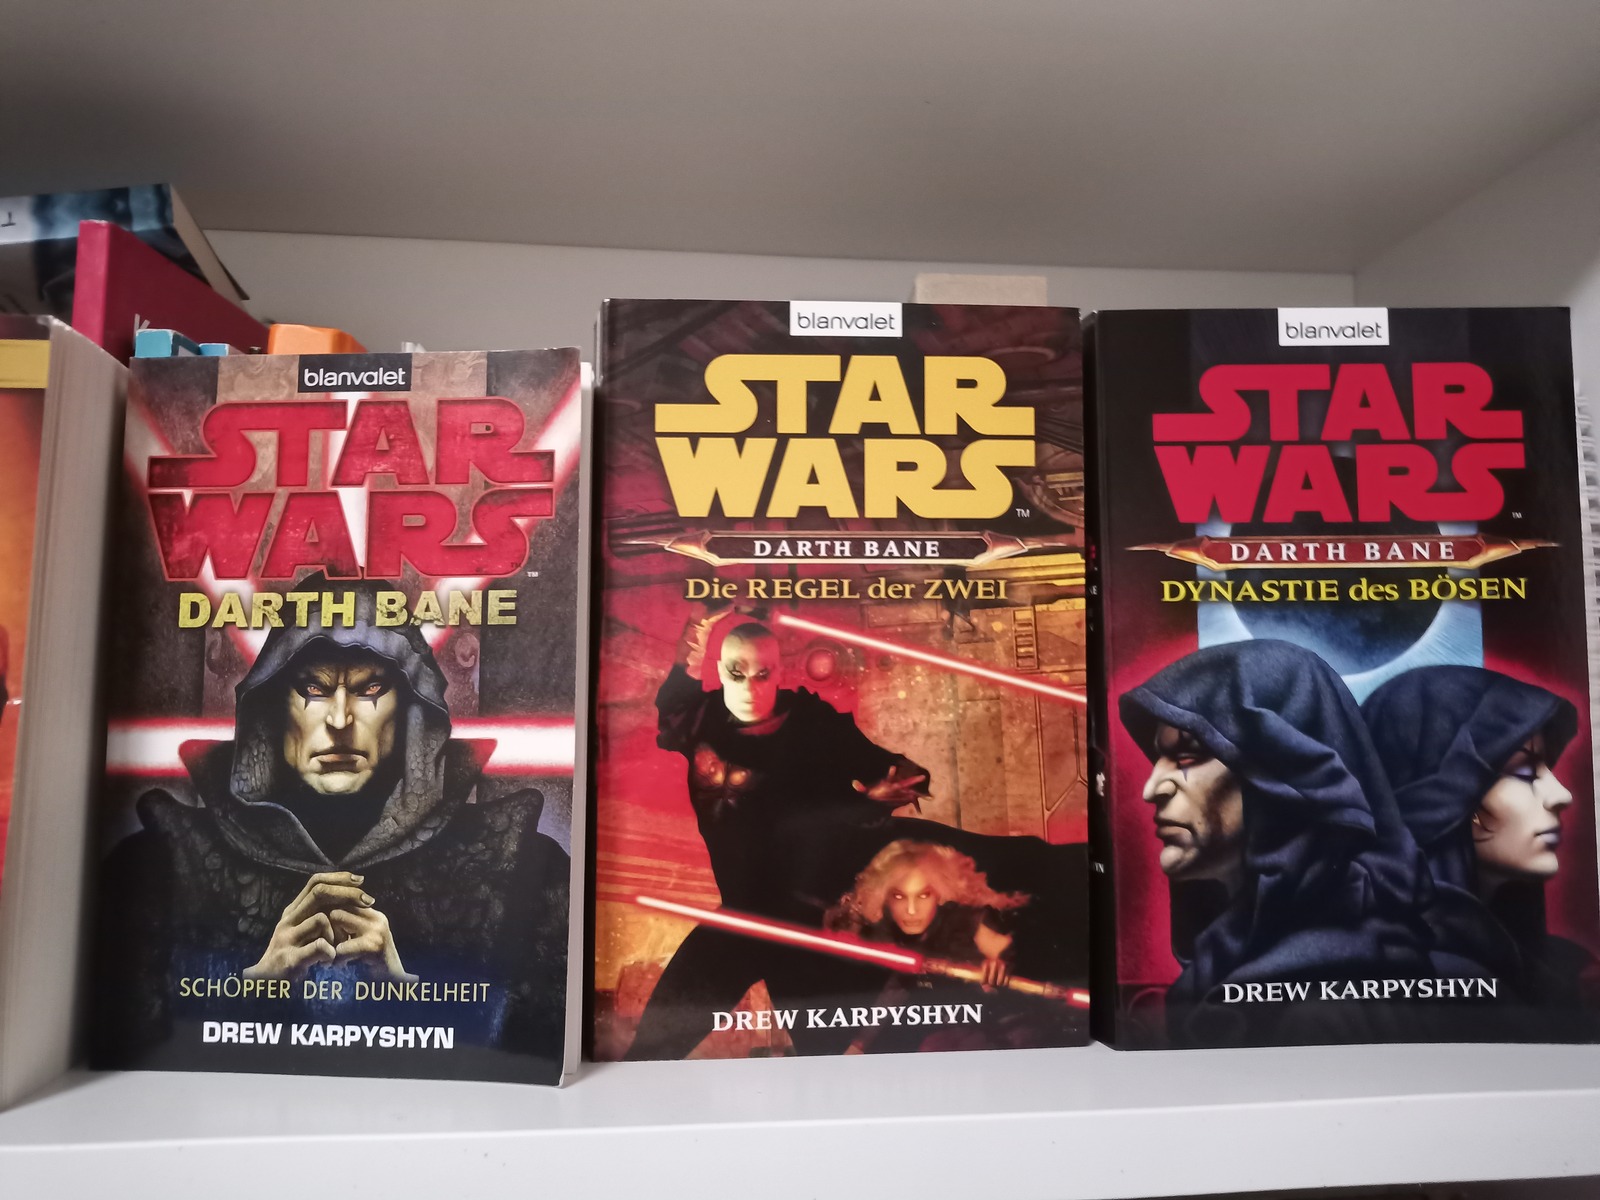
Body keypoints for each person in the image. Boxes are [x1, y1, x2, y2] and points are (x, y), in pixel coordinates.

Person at [93, 579, 570, 1069]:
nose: (340, 720)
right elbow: (120, 1049)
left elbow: (533, 1059)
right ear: (271, 709)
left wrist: (405, 996)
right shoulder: (157, 865)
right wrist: (255, 990)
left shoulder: (522, 868)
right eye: (314, 689)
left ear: (411, 712)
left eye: (370, 689)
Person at [625, 606, 931, 1058]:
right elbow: (676, 694)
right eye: (737, 673)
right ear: (721, 673)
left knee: (831, 1059)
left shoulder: (815, 724)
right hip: (740, 920)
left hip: (808, 926)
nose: (750, 687)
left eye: (762, 674)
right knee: (651, 1049)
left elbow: (897, 774)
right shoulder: (701, 719)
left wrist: (896, 784)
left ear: (779, 673)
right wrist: (698, 629)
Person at [1118, 638, 1433, 1047]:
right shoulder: (1222, 957)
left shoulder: (1331, 1006)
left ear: (1277, 778)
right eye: (1159, 758)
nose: (1152, 788)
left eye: (1188, 756)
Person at [1361, 665, 1597, 1035]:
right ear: (1447, 797)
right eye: (1523, 772)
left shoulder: (1560, 973)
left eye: (1546, 767)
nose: (1561, 795)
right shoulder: (1393, 987)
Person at [826, 840, 1033, 1053]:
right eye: (899, 896)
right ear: (885, 897)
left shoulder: (967, 920)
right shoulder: (904, 937)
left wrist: (999, 967)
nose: (911, 910)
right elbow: (896, 988)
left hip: (1012, 1029)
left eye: (923, 895)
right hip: (955, 1031)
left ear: (940, 893)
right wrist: (859, 1045)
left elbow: (1010, 957)